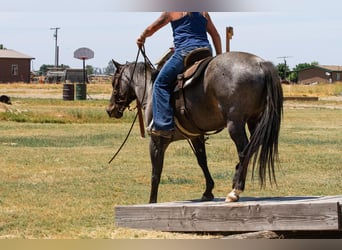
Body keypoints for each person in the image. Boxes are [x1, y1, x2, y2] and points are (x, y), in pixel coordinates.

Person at [137, 12, 222, 138]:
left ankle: (163, 125)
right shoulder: (203, 12)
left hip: (185, 52)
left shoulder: (172, 11)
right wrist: (218, 58)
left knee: (160, 83)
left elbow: (152, 28)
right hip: (205, 51)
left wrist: (142, 37)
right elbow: (215, 35)